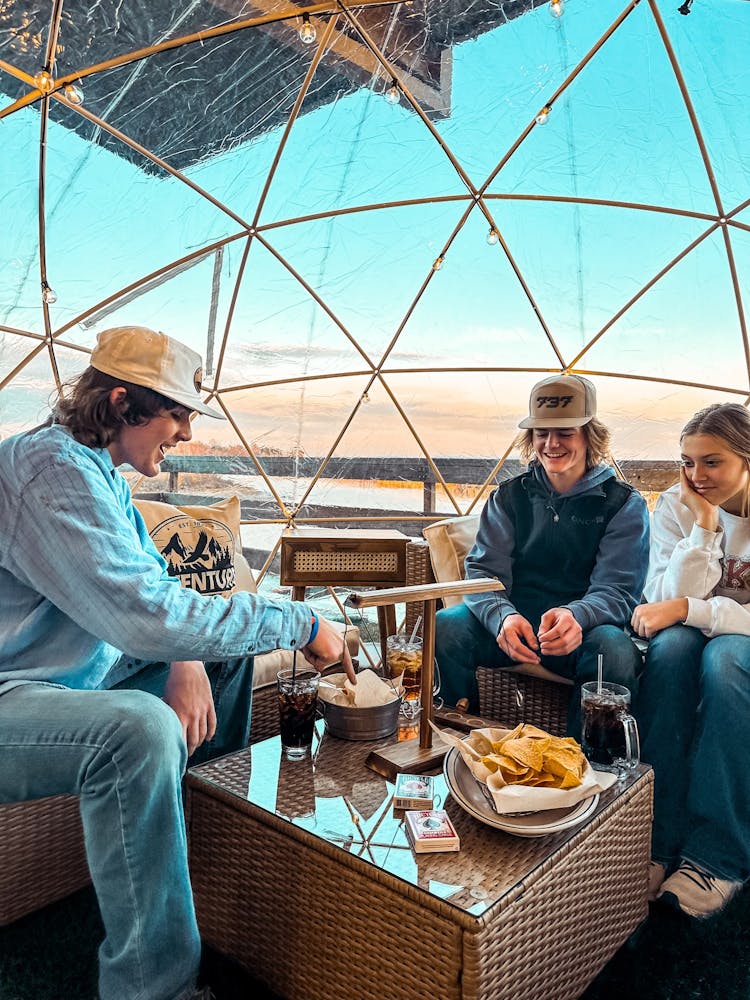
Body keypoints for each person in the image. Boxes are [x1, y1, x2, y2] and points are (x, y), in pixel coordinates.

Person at [0, 326, 355, 1000]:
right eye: (178, 413)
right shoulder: (49, 473)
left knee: (219, 667)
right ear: (121, 402)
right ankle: (152, 987)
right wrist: (301, 621)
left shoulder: (97, 473)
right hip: (13, 697)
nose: (186, 433)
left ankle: (199, 891)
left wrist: (187, 656)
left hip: (67, 684)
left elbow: (158, 593)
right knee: (138, 730)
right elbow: (147, 614)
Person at [434, 373, 649, 735]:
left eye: (565, 432)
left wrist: (576, 615)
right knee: (448, 625)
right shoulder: (508, 496)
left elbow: (618, 591)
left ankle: (592, 766)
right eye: (541, 433)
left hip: (586, 631)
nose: (551, 444)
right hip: (516, 627)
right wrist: (501, 617)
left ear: (589, 436)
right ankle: (457, 741)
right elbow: (484, 571)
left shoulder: (624, 504)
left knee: (614, 650)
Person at [631, 402, 750, 919]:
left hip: (736, 644)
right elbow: (662, 598)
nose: (695, 476)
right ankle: (658, 838)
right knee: (672, 648)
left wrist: (690, 608)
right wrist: (704, 526)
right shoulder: (679, 506)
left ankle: (718, 856)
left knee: (725, 658)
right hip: (689, 630)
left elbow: (680, 606)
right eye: (687, 461)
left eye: (712, 462)